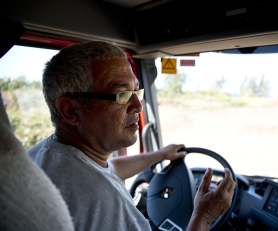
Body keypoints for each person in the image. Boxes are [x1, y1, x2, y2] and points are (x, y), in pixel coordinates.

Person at [28, 41, 235, 231]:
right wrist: (204, 216)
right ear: (71, 110)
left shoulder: (42, 156)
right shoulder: (100, 197)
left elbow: (112, 169)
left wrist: (160, 155)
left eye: (137, 91)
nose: (138, 105)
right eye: (122, 95)